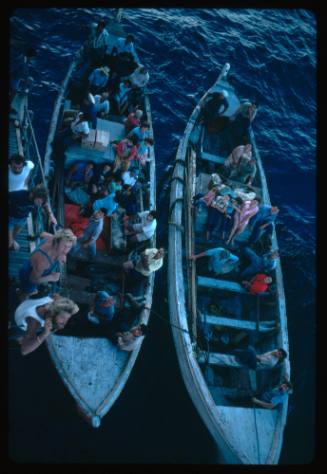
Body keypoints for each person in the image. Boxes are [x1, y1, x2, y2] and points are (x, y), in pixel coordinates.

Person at [19, 228, 77, 296]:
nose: (66, 250)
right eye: (64, 246)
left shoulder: (52, 238)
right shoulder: (43, 261)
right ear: (58, 242)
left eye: (69, 247)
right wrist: (52, 277)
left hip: (34, 269)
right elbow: (33, 280)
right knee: (26, 295)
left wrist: (61, 255)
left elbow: (42, 234)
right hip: (28, 277)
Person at [14, 295, 79, 355]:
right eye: (62, 317)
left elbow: (58, 297)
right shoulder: (34, 323)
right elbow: (24, 351)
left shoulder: (54, 299)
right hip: (17, 322)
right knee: (20, 338)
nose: (64, 322)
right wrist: (44, 334)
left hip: (26, 305)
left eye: (67, 318)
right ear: (53, 314)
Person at [9, 184, 57, 251]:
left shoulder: (40, 200)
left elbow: (46, 204)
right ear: (32, 195)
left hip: (22, 220)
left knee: (14, 235)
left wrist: (51, 215)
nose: (39, 204)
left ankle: (11, 239)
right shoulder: (19, 194)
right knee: (10, 244)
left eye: (41, 202)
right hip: (10, 219)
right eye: (38, 202)